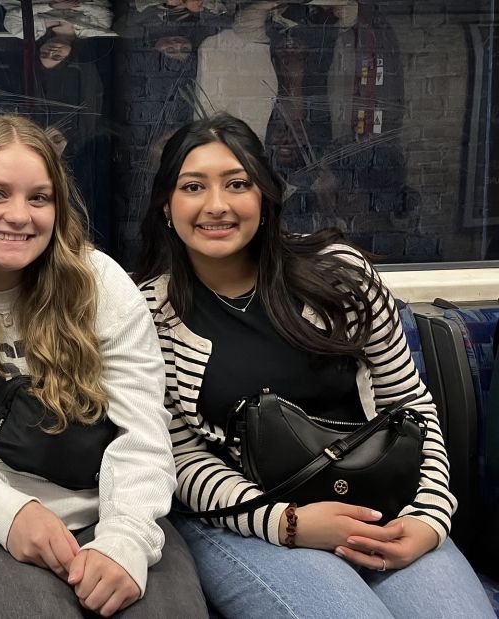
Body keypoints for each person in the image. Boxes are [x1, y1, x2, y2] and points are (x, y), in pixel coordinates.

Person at [133, 112, 494, 617]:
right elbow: (182, 458)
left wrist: (430, 518)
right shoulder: (150, 313)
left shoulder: (341, 275)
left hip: (382, 499)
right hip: (249, 518)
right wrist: (289, 522)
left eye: (237, 184)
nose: (216, 205)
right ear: (167, 208)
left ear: (264, 197)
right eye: (193, 186)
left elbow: (409, 405)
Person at [0, 114, 206, 618]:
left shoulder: (97, 282)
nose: (19, 215)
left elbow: (143, 433)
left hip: (114, 511)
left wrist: (125, 540)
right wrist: (6, 510)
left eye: (39, 198)